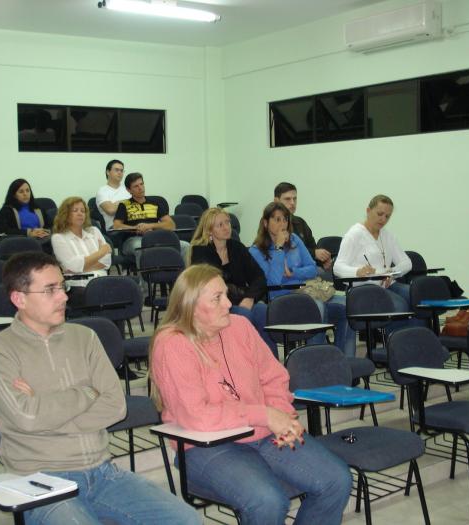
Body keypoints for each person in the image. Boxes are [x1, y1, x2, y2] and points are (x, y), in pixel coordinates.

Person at [0, 252, 200, 525]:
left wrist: (45, 408)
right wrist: (87, 392)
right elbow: (27, 418)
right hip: (40, 480)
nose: (64, 297)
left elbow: (115, 407)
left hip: (102, 472)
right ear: (19, 299)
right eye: (50, 290)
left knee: (187, 520)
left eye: (62, 286)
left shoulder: (85, 338)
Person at [150, 264, 352, 524]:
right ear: (190, 306)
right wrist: (266, 415)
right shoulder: (173, 344)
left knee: (336, 480)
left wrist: (282, 415)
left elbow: (274, 377)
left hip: (261, 432)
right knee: (268, 502)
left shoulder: (240, 327)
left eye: (226, 294)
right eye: (217, 298)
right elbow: (198, 416)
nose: (228, 304)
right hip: (205, 445)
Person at [249, 202, 356, 356]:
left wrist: (293, 273)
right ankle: (316, 363)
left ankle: (344, 364)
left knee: (348, 307)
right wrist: (279, 248)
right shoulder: (256, 251)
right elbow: (273, 282)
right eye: (277, 220)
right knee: (317, 307)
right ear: (266, 223)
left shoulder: (294, 240)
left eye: (285, 219)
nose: (282, 224)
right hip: (282, 300)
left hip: (309, 291)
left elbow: (312, 269)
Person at [189, 208, 276, 354]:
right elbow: (213, 286)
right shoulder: (201, 252)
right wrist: (242, 299)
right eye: (220, 225)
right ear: (210, 230)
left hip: (242, 299)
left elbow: (259, 277)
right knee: (244, 316)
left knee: (263, 311)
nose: (226, 227)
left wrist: (249, 297)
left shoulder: (237, 248)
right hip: (216, 304)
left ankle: (271, 361)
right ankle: (246, 359)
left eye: (227, 222)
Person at [334, 194, 413, 309]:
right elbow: (337, 267)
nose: (383, 219)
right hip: (364, 287)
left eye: (387, 216)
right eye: (380, 214)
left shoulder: (388, 236)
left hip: (387, 285)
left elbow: (407, 263)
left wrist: (393, 272)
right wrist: (357, 271)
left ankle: (418, 328)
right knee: (399, 306)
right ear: (368, 211)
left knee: (417, 297)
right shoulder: (354, 234)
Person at [113, 172, 188, 263]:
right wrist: (135, 228)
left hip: (156, 237)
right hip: (133, 239)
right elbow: (116, 226)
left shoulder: (155, 203)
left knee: (185, 246)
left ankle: (184, 277)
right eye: (136, 186)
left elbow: (171, 225)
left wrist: (149, 226)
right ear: (129, 190)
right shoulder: (124, 205)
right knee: (140, 247)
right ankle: (144, 277)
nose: (140, 188)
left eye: (141, 184)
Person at [51, 197, 111, 306]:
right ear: (65, 214)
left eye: (83, 211)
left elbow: (106, 262)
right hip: (78, 285)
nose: (80, 214)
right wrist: (102, 252)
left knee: (120, 291)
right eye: (75, 211)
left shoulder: (94, 231)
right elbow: (73, 265)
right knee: (101, 297)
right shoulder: (58, 238)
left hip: (102, 280)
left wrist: (82, 266)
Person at [274, 182, 332, 272]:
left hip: (306, 269)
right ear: (277, 201)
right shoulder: (271, 224)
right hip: (284, 271)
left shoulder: (300, 222)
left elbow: (313, 248)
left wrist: (323, 261)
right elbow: (284, 252)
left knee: (328, 272)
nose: (292, 203)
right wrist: (314, 254)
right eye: (287, 199)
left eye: (295, 199)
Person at [96, 159, 130, 230]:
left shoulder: (128, 189)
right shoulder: (102, 191)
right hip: (116, 229)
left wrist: (116, 203)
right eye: (116, 170)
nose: (120, 173)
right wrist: (129, 202)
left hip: (134, 224)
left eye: (121, 170)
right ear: (108, 172)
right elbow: (111, 210)